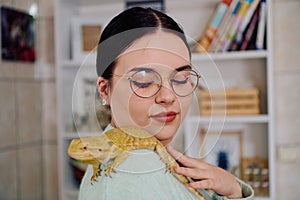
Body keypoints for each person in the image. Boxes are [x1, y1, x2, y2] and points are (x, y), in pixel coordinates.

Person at [78, 7, 254, 200]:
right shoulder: (132, 174)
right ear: (105, 90)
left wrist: (234, 191)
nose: (168, 96)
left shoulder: (150, 158)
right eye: (144, 82)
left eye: (180, 79)